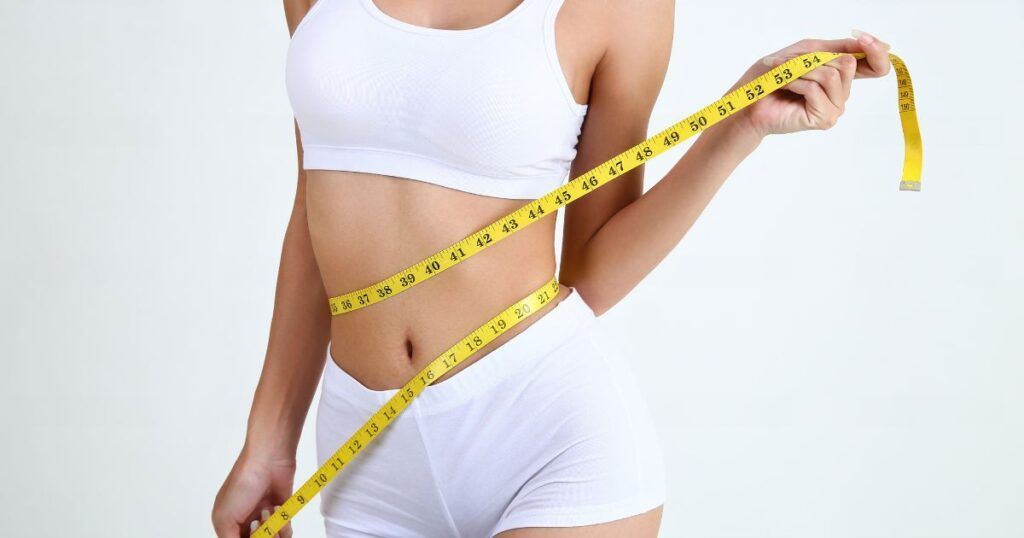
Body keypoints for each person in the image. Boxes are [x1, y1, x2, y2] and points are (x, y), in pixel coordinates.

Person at [212, 0, 893, 535]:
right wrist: (268, 440)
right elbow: (316, 203)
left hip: (542, 433)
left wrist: (737, 126)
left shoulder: (623, 7)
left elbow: (591, 270)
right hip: (367, 457)